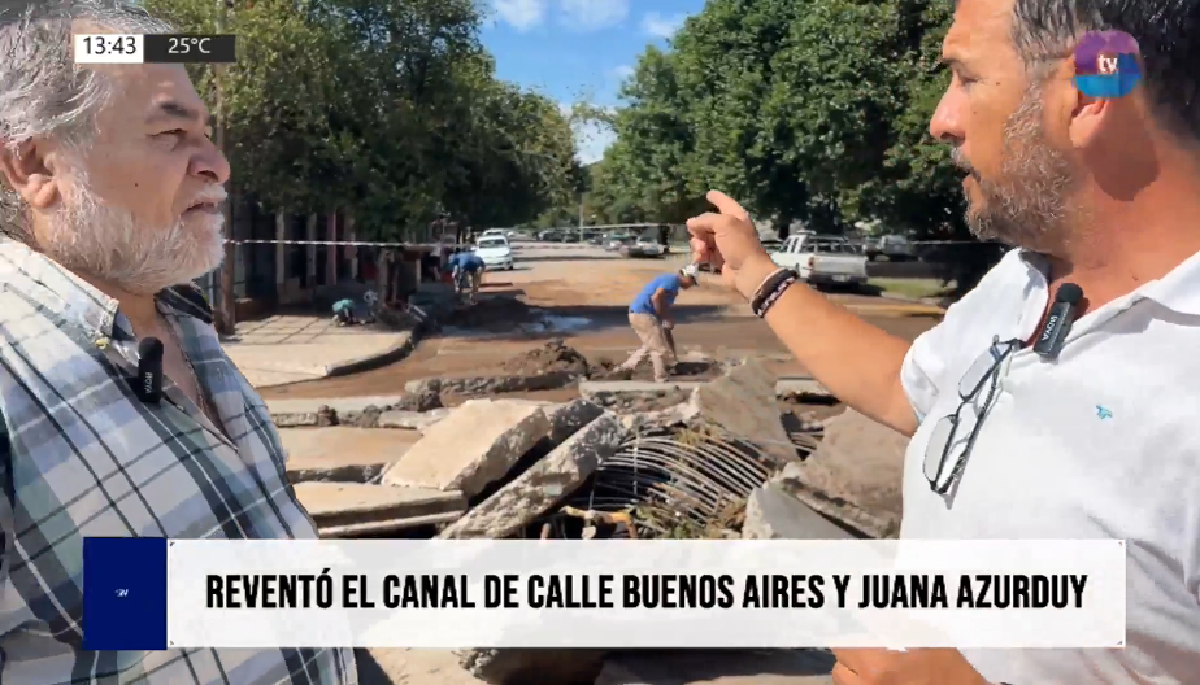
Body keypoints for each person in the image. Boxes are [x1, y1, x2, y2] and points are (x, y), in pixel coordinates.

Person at [687, 0, 1200, 682]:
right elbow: (911, 389)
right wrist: (758, 274)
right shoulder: (1023, 279)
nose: (940, 120)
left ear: (1090, 91)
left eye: (964, 76)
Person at [0, 3, 355, 683]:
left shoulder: (186, 327)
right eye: (171, 133)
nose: (218, 165)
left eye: (207, 135)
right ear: (35, 164)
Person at [618, 264, 698, 381]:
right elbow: (656, 297)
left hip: (639, 314)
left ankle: (623, 370)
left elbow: (663, 309)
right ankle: (661, 378)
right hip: (643, 314)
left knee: (650, 346)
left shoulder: (671, 283)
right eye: (692, 282)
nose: (691, 286)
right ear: (687, 277)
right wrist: (664, 316)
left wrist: (666, 318)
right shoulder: (672, 281)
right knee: (659, 349)